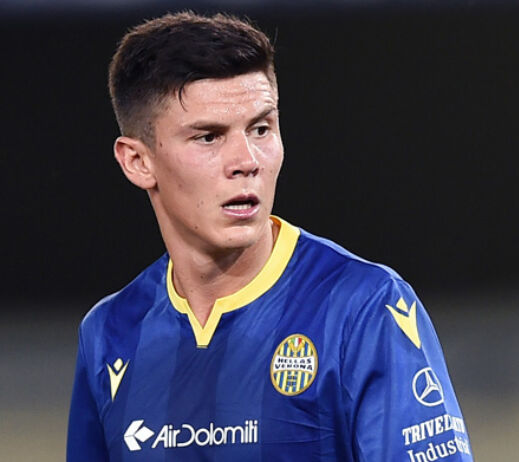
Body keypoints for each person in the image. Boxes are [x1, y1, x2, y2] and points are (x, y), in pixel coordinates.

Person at [67, 11, 473, 462]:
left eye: (261, 129)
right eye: (208, 137)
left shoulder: (364, 310)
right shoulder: (109, 335)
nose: (247, 161)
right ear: (138, 162)